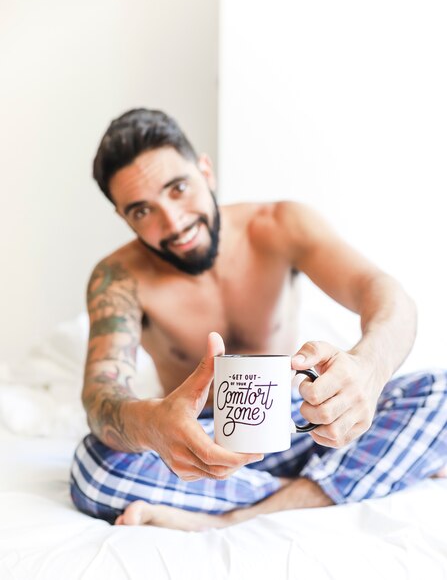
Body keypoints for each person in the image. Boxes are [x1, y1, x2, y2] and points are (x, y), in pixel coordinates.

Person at [70, 108, 447, 531]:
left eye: (178, 189)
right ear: (124, 217)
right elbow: (101, 395)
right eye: (142, 211)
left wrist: (368, 369)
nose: (173, 222)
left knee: (444, 392)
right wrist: (153, 426)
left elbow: (385, 293)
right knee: (94, 469)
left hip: (299, 427)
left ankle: (235, 514)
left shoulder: (281, 225)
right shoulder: (118, 277)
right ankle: (359, 475)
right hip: (199, 445)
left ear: (205, 171)